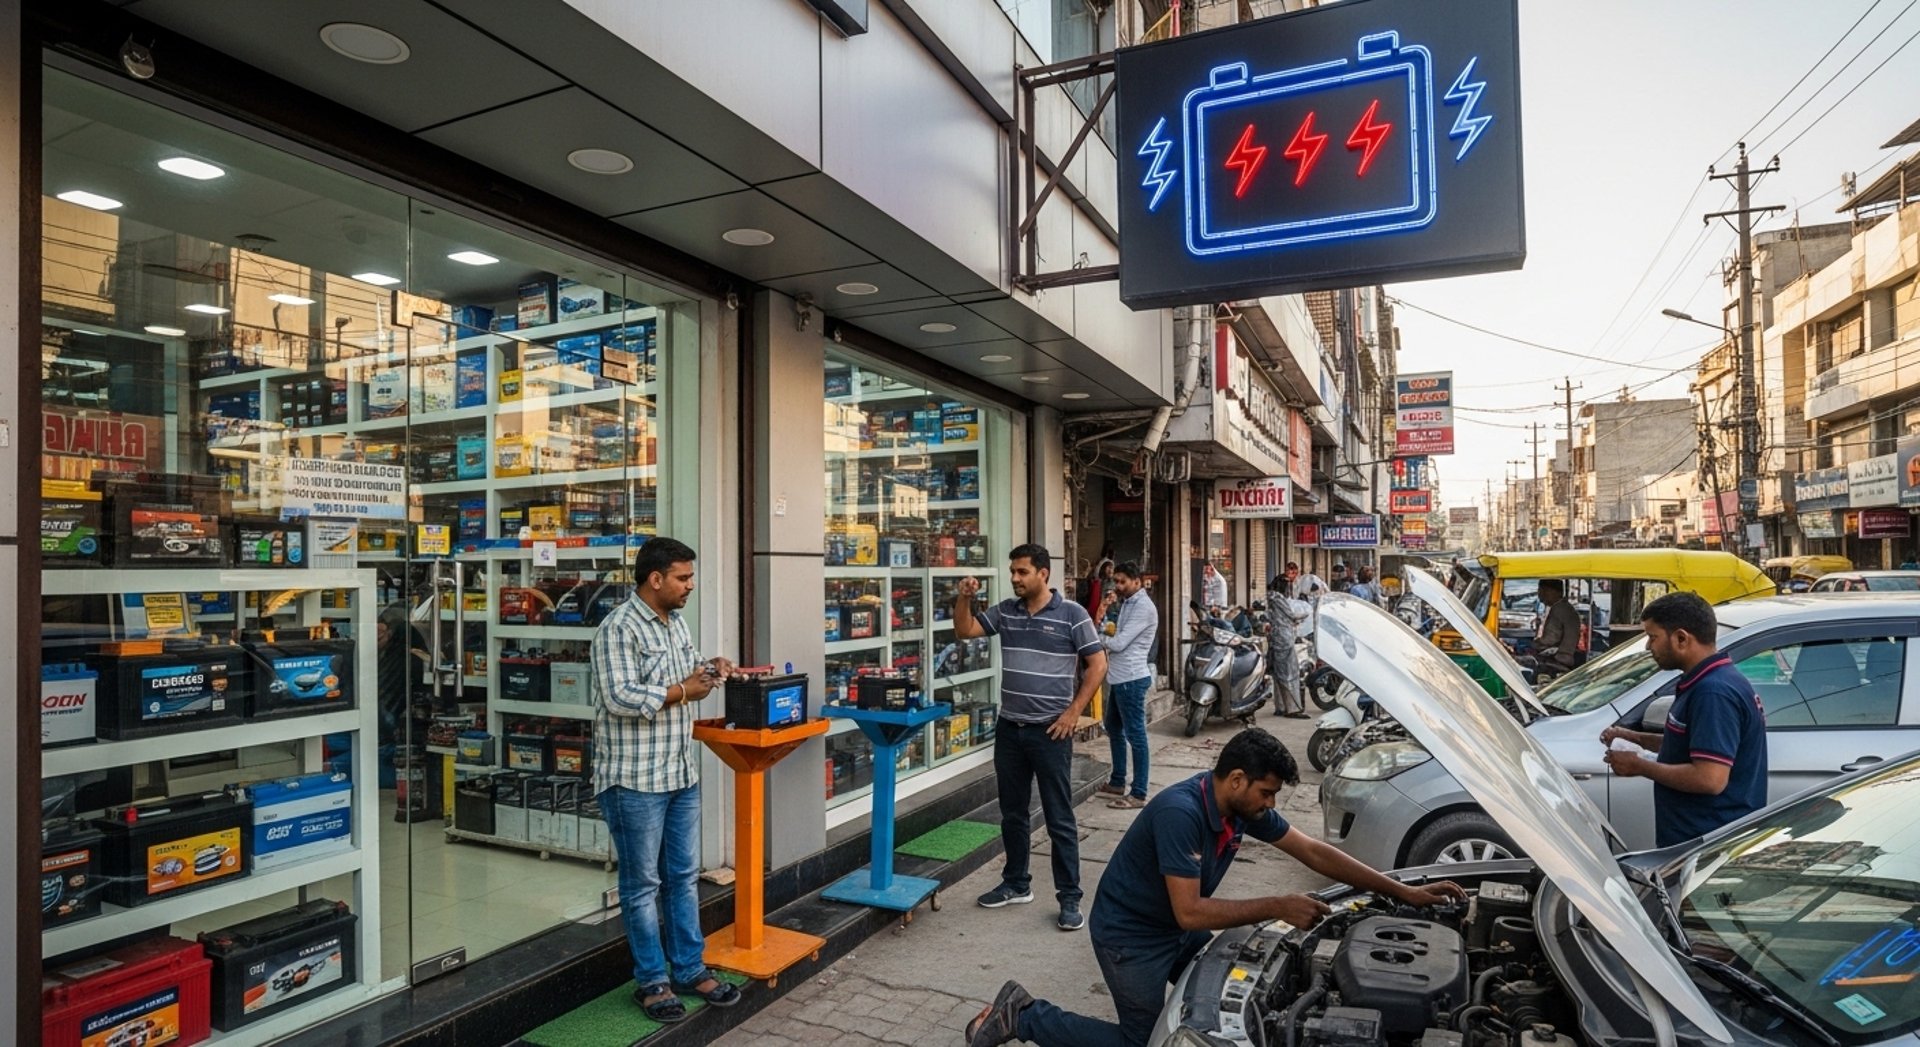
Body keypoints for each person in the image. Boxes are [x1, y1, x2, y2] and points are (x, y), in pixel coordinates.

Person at [964, 729, 1465, 1047]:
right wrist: (1278, 905)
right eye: (1267, 792)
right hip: (1130, 939)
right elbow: (1191, 913)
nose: (1271, 804)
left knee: (1234, 1003)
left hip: (1171, 929)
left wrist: (1405, 892)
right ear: (1238, 780)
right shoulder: (1181, 812)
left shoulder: (1240, 807)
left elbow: (1312, 850)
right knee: (1144, 1042)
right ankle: (1023, 1015)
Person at [590, 536, 742, 1023]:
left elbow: (686, 675)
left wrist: (710, 668)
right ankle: (652, 981)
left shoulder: (675, 623)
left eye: (691, 577)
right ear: (655, 579)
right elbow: (618, 696)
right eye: (683, 578)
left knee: (681, 877)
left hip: (679, 772)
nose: (690, 586)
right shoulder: (617, 628)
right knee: (642, 885)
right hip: (634, 779)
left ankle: (691, 969)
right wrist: (683, 690)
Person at [956, 543, 1109, 931]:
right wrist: (964, 598)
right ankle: (1016, 883)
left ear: (1043, 573)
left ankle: (1070, 898)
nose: (1015, 578)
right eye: (1013, 572)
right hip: (1010, 728)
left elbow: (1097, 664)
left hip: (1050, 733)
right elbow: (966, 630)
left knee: (1059, 818)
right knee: (1012, 813)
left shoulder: (1072, 615)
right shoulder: (1007, 612)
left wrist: (1074, 712)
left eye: (1022, 572)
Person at [1601, 591, 1769, 848]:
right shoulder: (1706, 681)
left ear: (1681, 638)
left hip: (1707, 844)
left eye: (1652, 637)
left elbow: (1709, 778)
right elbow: (1692, 746)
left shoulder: (1713, 691)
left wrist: (1639, 766)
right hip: (1694, 840)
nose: (1648, 647)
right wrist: (1635, 738)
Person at [1096, 562, 1159, 809]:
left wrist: (1095, 639)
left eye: (1123, 582)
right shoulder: (1127, 603)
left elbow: (1120, 642)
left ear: (1137, 581)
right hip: (1119, 677)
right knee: (1113, 726)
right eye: (1116, 582)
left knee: (1136, 735)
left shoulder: (1143, 607)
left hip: (1131, 679)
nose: (1118, 586)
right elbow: (1114, 632)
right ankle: (1117, 780)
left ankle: (1139, 792)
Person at [1267, 573, 1310, 718]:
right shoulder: (1279, 599)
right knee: (1289, 673)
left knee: (1278, 674)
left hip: (1275, 638)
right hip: (1284, 638)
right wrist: (1306, 613)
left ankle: (1280, 706)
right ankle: (1292, 709)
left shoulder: (1270, 597)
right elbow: (1293, 614)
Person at [1532, 578, 1583, 673]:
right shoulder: (1566, 607)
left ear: (1552, 591)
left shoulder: (1558, 610)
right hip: (1567, 657)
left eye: (1542, 591)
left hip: (1559, 659)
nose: (1540, 596)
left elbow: (1550, 639)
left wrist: (1536, 643)